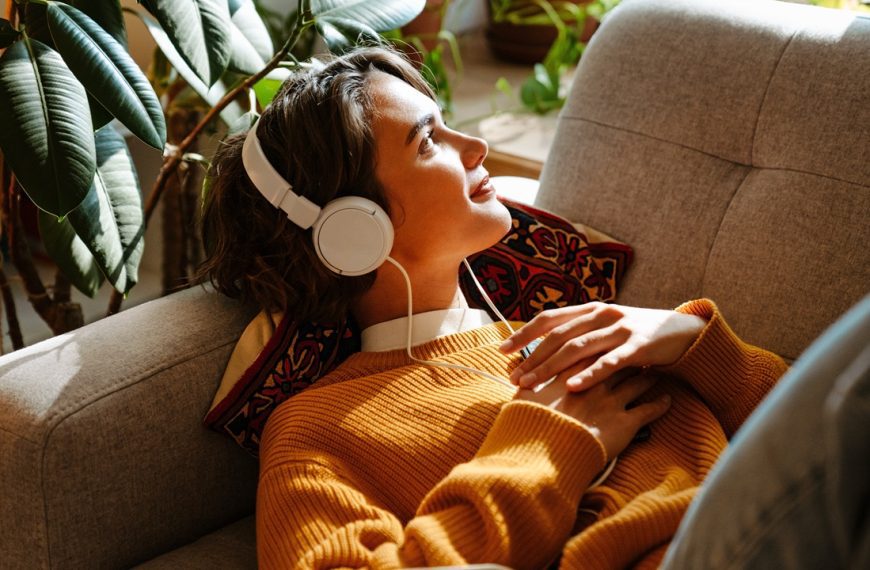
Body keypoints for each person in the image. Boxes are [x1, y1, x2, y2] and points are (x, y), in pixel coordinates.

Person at [198, 46, 788, 569]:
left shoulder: (574, 330)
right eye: (429, 140)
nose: (477, 146)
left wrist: (688, 339)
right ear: (354, 230)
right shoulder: (316, 431)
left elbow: (811, 421)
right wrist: (545, 446)